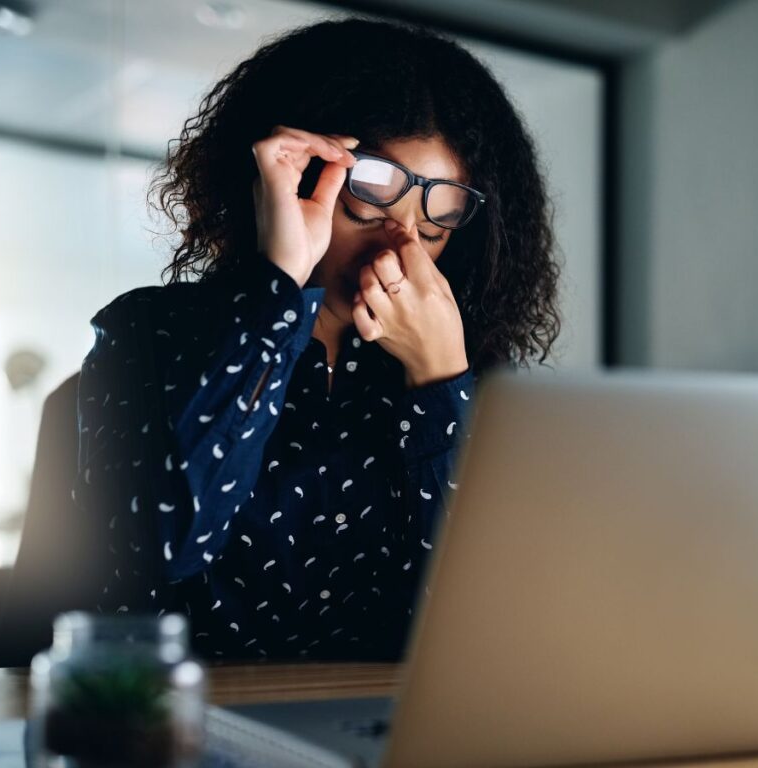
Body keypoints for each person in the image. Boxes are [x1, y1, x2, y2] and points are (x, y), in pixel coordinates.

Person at [72, 17, 561, 661]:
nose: (404, 241)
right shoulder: (149, 331)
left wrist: (441, 379)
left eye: (440, 215)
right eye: (371, 195)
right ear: (304, 176)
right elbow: (167, 547)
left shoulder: (469, 377)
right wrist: (279, 287)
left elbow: (489, 625)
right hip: (180, 726)